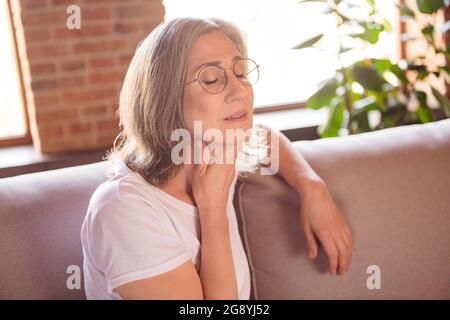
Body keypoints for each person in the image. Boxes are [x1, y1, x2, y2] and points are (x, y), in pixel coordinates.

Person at [81, 17, 353, 300]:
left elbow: (263, 136)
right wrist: (213, 213)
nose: (240, 91)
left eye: (241, 73)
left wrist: (311, 186)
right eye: (212, 79)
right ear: (165, 98)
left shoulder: (216, 147)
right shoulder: (124, 211)